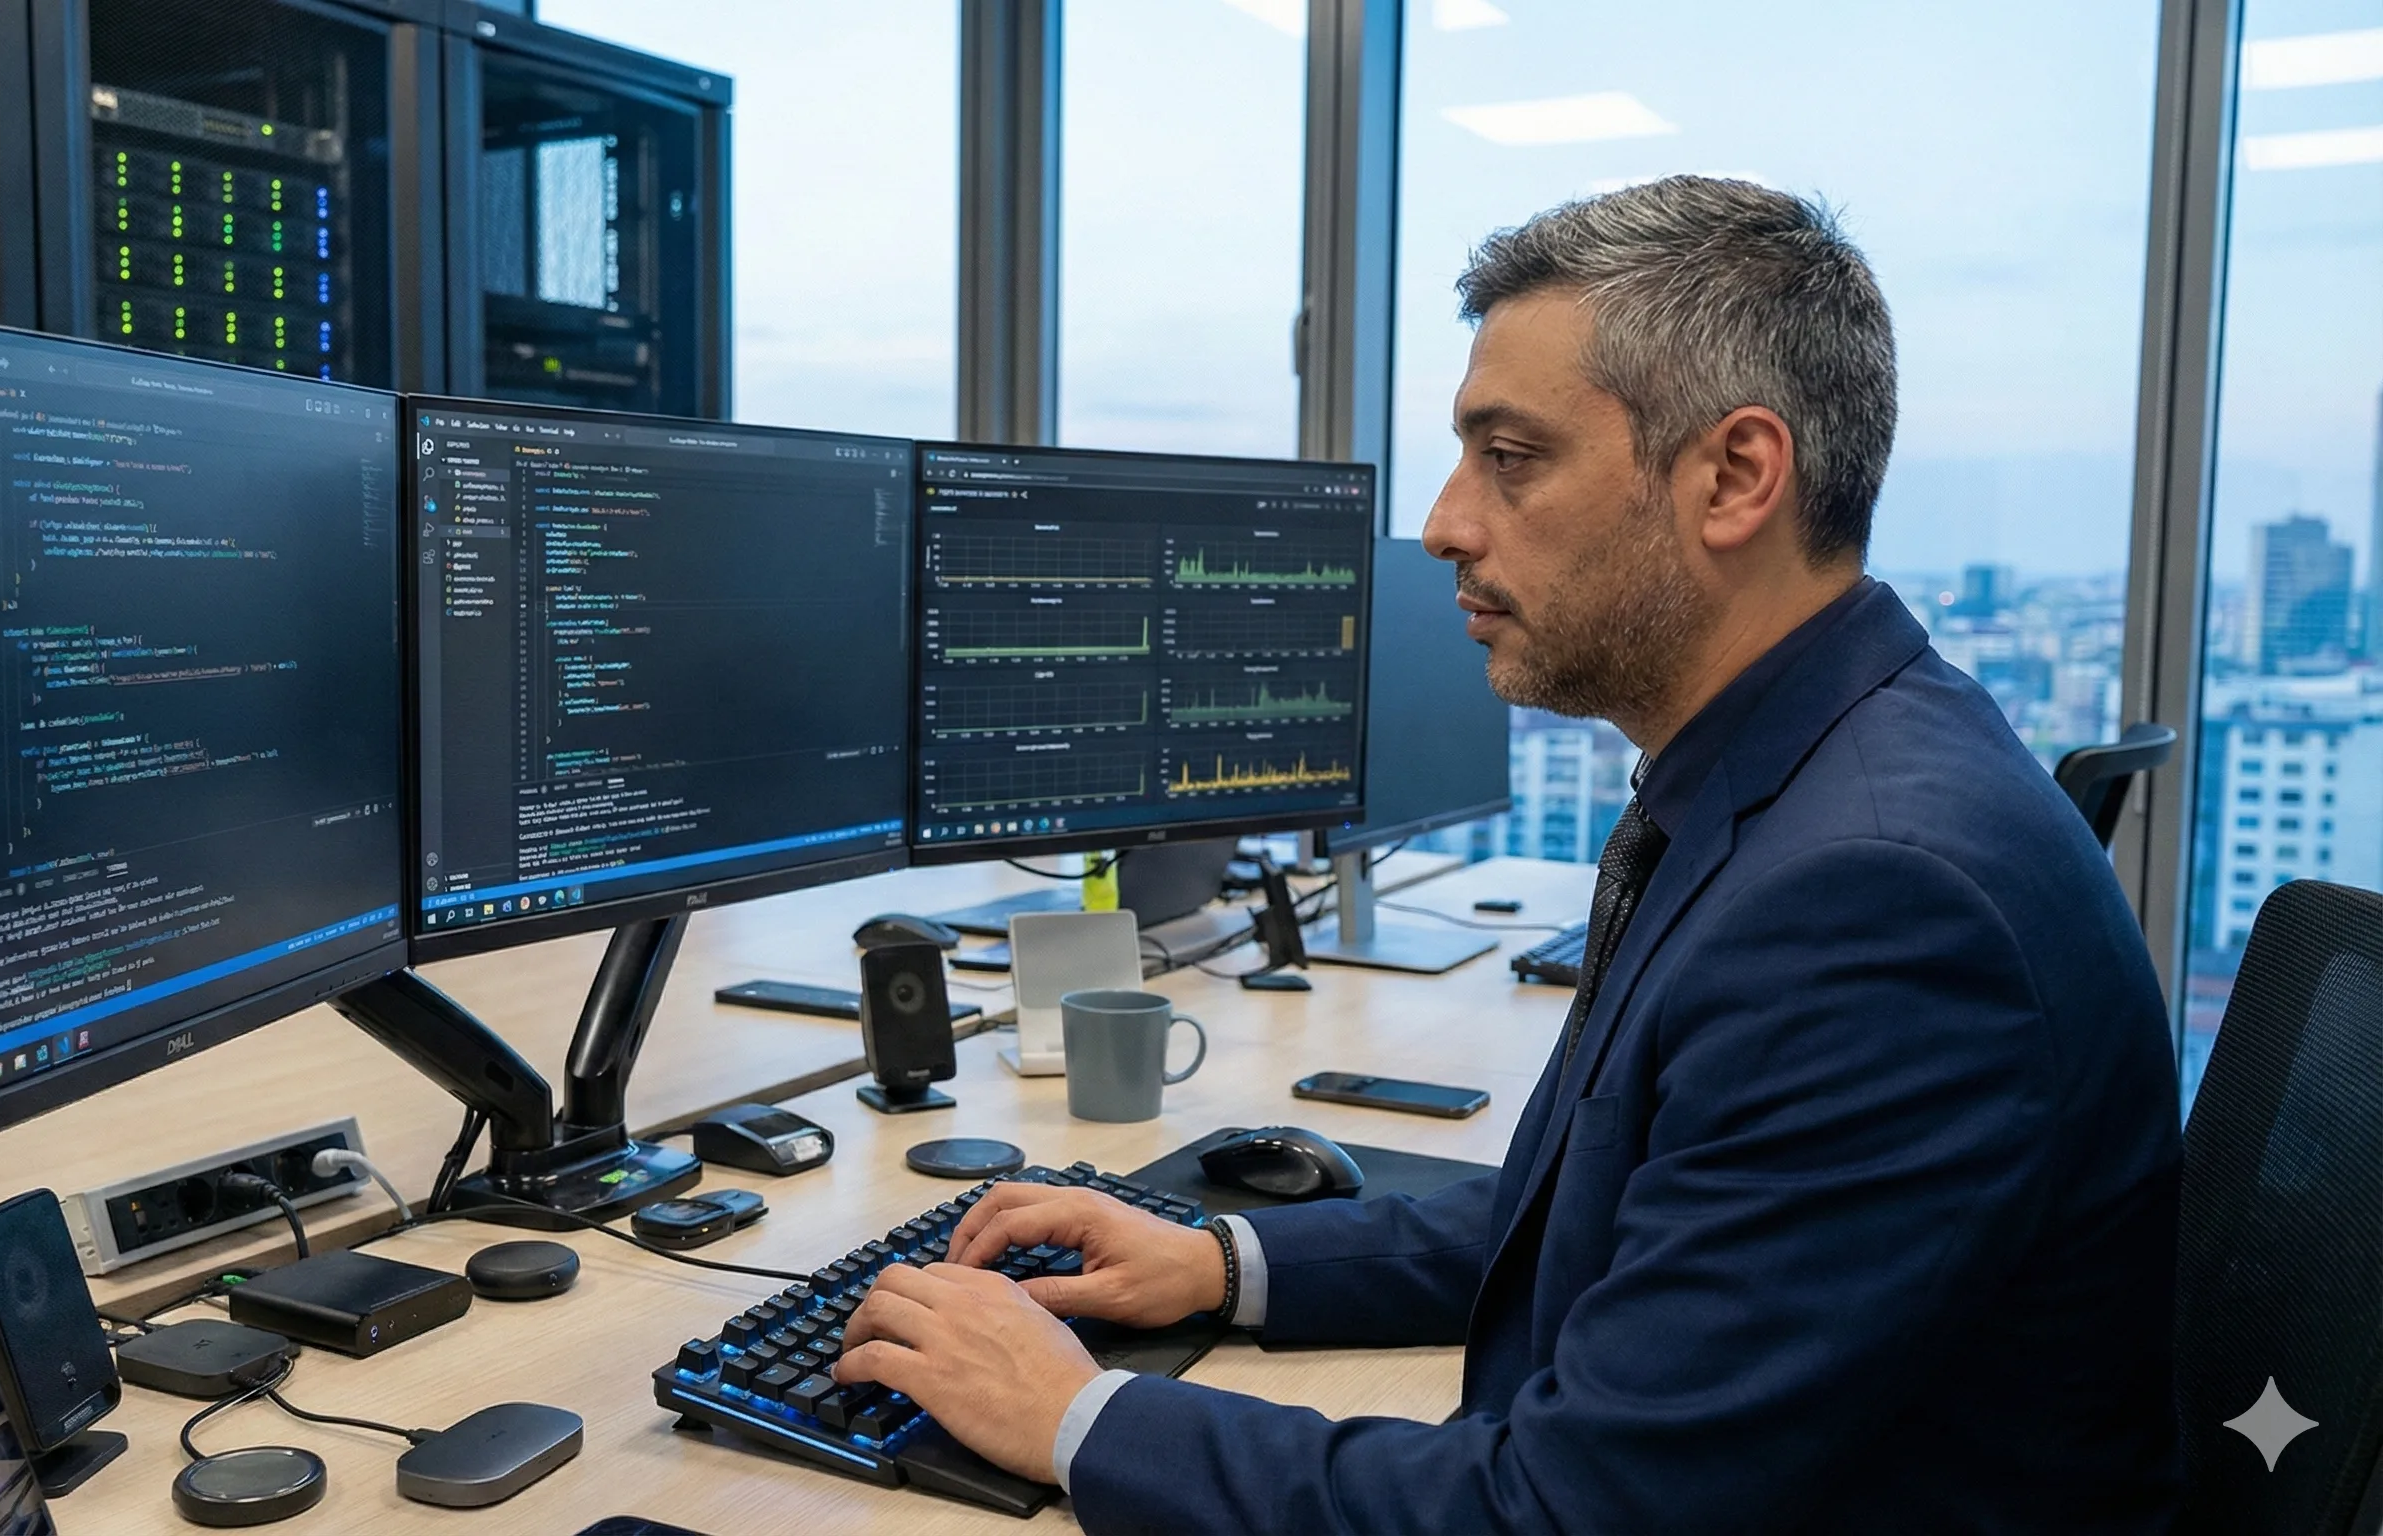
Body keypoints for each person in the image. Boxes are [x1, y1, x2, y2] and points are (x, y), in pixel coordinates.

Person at [831, 176, 2182, 1533]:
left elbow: (1563, 1515)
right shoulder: (1814, 769)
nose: (1444, 524)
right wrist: (1224, 1262)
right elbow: (1618, 1211)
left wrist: (1078, 1417)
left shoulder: (1874, 900)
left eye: (1512, 457)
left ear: (1734, 477)